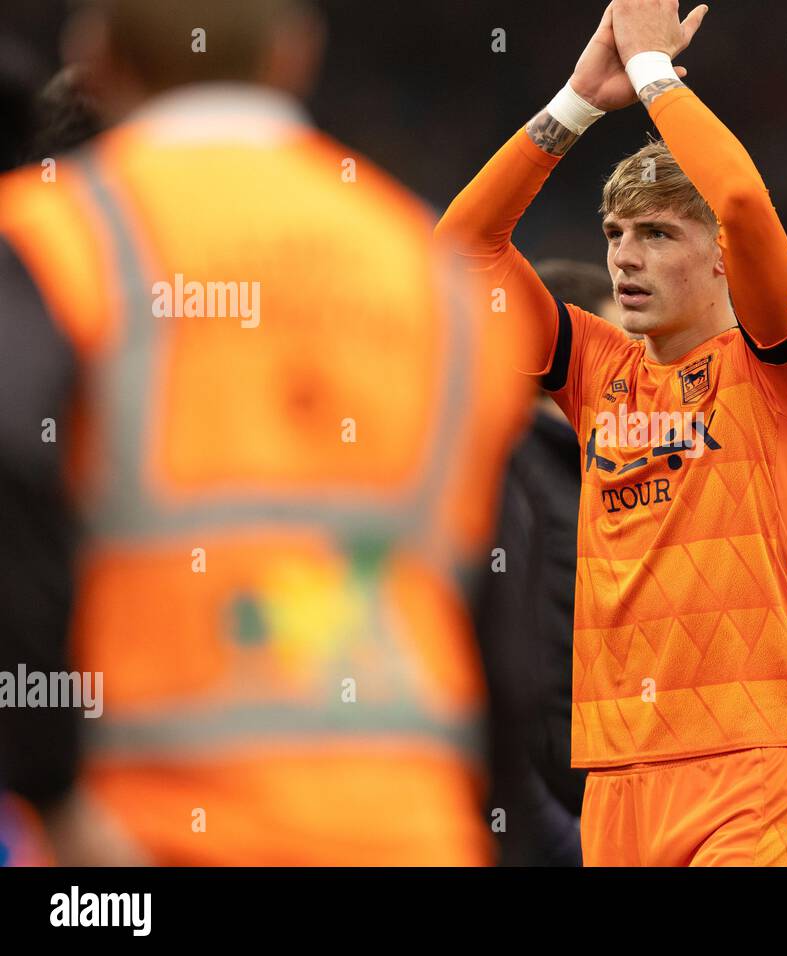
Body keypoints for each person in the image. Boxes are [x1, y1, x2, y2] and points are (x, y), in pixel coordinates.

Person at [0, 0, 531, 865]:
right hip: (412, 831)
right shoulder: (434, 275)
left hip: (147, 837)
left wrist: (51, 787)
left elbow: (13, 486)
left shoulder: (53, 239)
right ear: (296, 54)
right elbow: (498, 585)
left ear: (94, 52)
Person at [437, 0, 787, 866]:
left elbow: (735, 194)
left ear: (724, 254)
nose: (624, 256)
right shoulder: (598, 370)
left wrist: (655, 75)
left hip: (753, 769)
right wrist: (577, 103)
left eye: (658, 233)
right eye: (616, 233)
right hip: (616, 779)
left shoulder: (781, 371)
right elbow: (457, 257)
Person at [476, 260, 618, 866]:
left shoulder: (600, 477)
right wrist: (554, 832)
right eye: (620, 351)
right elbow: (512, 678)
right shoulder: (501, 477)